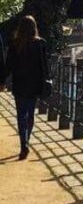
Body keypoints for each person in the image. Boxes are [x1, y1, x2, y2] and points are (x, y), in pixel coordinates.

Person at [3, 15, 49, 160]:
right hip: (34, 84)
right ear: (34, 27)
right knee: (30, 114)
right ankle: (27, 140)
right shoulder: (41, 43)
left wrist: (3, 80)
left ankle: (24, 144)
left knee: (21, 114)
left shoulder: (15, 43)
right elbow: (45, 67)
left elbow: (9, 65)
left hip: (19, 84)